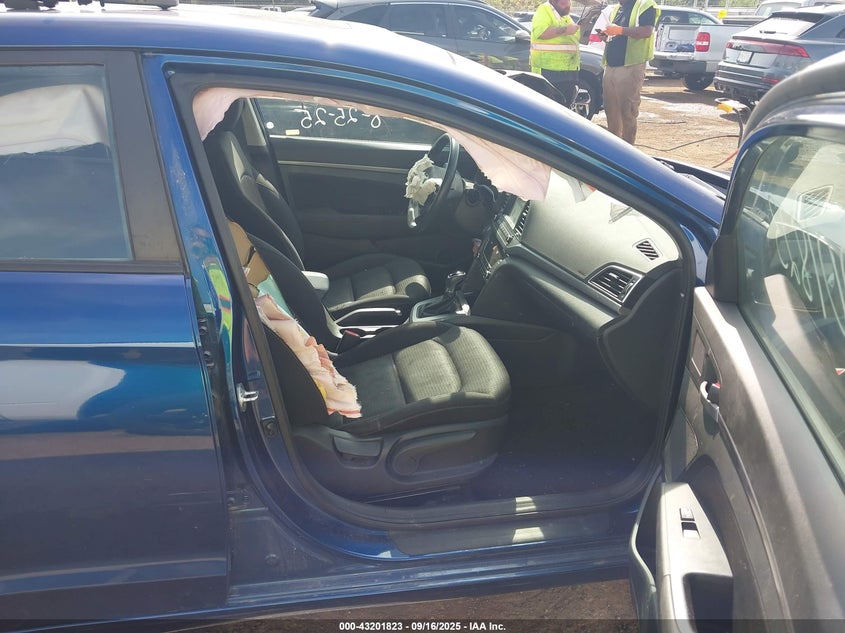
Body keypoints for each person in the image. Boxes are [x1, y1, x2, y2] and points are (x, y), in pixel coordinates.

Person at [598, 0, 659, 144]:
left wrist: (620, 30)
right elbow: (617, 34)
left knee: (627, 111)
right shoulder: (617, 9)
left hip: (631, 66)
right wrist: (607, 35)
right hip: (611, 66)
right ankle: (613, 148)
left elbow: (646, 31)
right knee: (611, 111)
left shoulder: (645, 5)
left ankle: (627, 149)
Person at [531, 0, 580, 107]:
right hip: (549, 71)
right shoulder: (544, 10)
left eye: (568, 2)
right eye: (563, 3)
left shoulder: (566, 17)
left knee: (564, 109)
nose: (567, 6)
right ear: (553, 2)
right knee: (548, 109)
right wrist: (565, 30)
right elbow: (541, 32)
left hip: (568, 71)